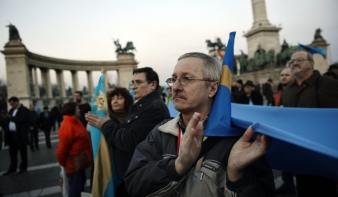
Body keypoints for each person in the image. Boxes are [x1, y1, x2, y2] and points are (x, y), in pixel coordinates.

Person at [124, 52, 275, 196]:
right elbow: (134, 184)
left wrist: (236, 176)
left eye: (187, 78)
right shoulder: (161, 132)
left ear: (212, 88)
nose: (175, 87)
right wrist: (177, 166)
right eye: (174, 79)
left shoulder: (239, 140)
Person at [85, 67, 170, 196]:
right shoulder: (141, 107)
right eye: (132, 83)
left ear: (153, 85)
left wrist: (106, 124)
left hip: (141, 178)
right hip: (133, 175)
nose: (133, 86)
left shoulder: (154, 108)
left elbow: (129, 140)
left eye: (138, 82)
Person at [280, 50, 338, 197]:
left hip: (320, 150)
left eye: (299, 60)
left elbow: (333, 117)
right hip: (298, 148)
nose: (295, 63)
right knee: (303, 187)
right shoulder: (288, 89)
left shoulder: (326, 83)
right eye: (292, 61)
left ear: (311, 63)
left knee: (322, 189)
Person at [56, 102, 92, 197]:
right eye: (77, 109)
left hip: (80, 162)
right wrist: (63, 165)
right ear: (72, 110)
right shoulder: (67, 125)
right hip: (73, 164)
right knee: (76, 189)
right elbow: (62, 149)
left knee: (80, 185)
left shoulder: (76, 121)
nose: (79, 110)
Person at [3, 97, 30, 175]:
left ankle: (23, 167)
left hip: (20, 134)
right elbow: (8, 120)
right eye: (10, 104)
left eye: (12, 103)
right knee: (12, 152)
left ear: (17, 102)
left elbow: (22, 119)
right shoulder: (11, 110)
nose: (11, 105)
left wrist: (11, 118)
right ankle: (12, 167)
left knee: (22, 152)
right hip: (11, 134)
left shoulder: (24, 110)